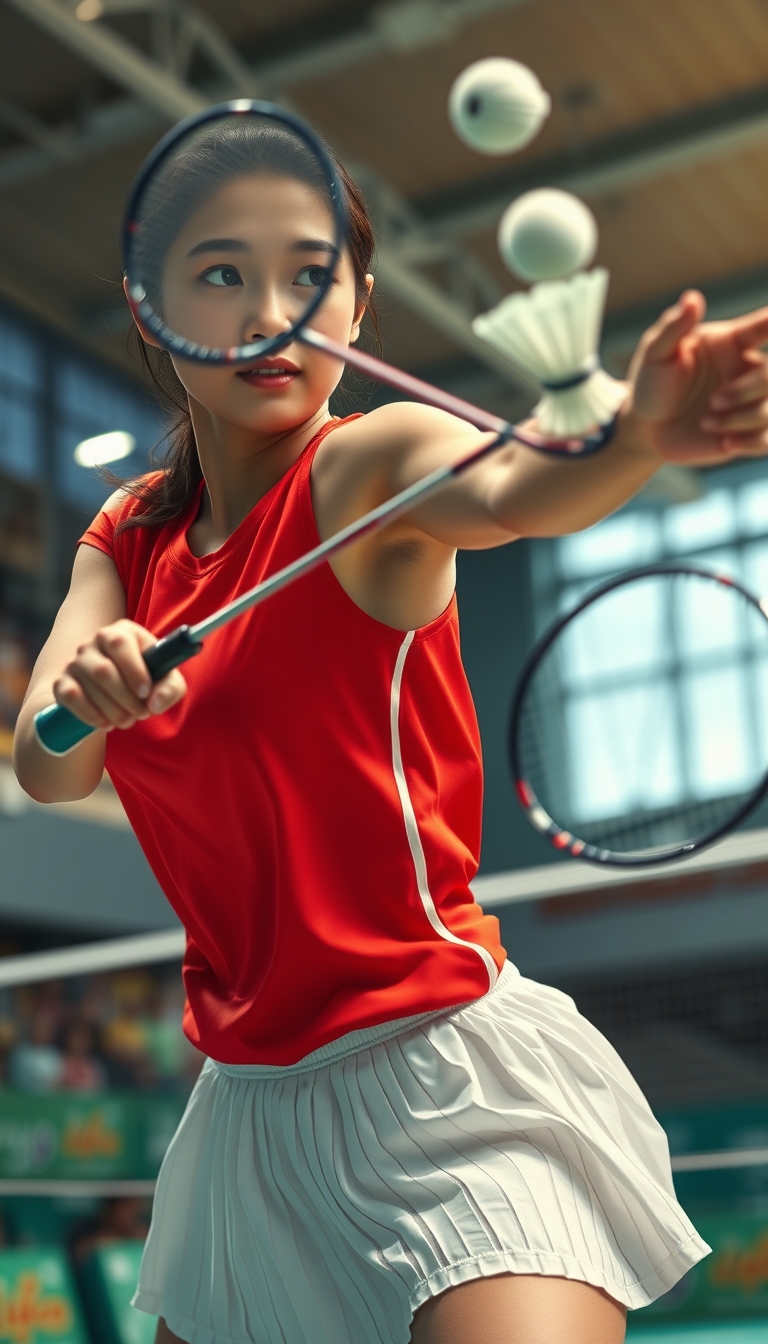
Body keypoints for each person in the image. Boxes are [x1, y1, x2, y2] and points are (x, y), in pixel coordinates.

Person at [12, 114, 768, 1344]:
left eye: (312, 278)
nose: (274, 313)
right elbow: (45, 766)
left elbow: (522, 487)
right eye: (222, 274)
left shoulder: (376, 465)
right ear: (151, 306)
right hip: (247, 1119)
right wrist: (81, 699)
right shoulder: (127, 536)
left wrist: (635, 440)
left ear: (359, 309)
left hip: (445, 1082)